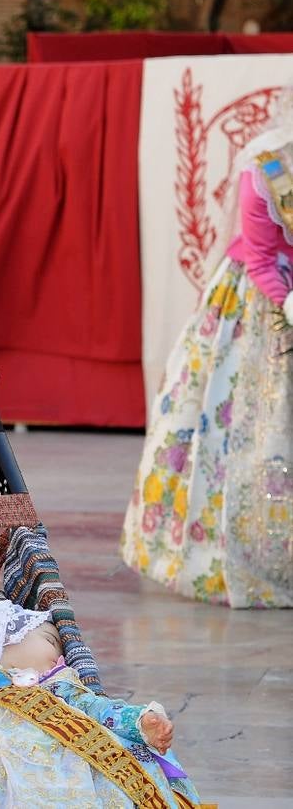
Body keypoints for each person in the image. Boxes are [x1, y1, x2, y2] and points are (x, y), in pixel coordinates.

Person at [119, 113, 293, 609]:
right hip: (261, 304)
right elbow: (261, 259)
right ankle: (242, 557)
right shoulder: (269, 164)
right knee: (246, 435)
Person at [0, 601, 201, 808]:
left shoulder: (60, 681)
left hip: (71, 755)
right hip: (4, 751)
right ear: (4, 640)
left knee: (109, 784)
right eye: (51, 641)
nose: (60, 653)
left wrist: (138, 721)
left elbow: (96, 707)